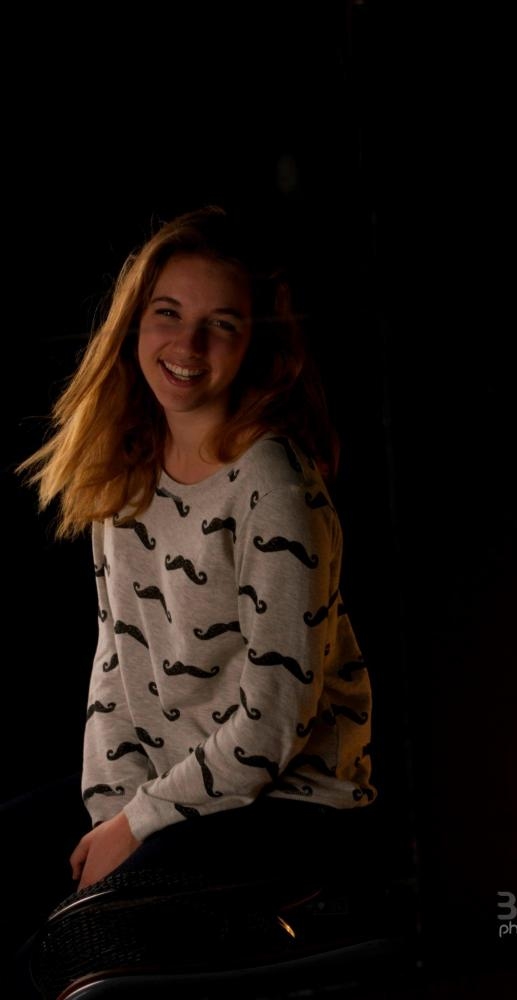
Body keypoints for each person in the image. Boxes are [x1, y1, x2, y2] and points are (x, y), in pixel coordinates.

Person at [10, 204, 376, 996]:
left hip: (288, 807)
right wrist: (114, 815)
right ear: (134, 323)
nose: (188, 345)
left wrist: (137, 827)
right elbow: (116, 668)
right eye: (168, 313)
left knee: (74, 946)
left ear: (255, 346)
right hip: (170, 790)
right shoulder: (126, 469)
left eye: (222, 325)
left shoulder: (272, 484)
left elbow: (273, 723)